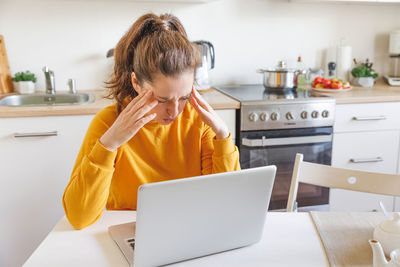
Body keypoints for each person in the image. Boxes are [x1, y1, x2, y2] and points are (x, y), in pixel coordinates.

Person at [62, 13, 240, 230]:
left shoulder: (199, 123)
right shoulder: (109, 123)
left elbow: (225, 207)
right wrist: (109, 144)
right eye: (162, 99)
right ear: (136, 82)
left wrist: (222, 135)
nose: (174, 111)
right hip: (127, 232)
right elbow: (79, 218)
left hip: (189, 231)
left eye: (184, 98)